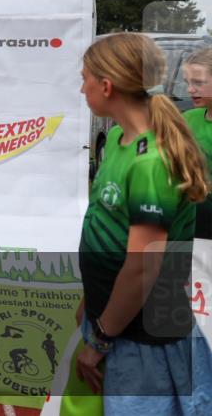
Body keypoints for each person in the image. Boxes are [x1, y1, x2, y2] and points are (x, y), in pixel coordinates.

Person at [77, 33, 212, 410]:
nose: (81, 87)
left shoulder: (152, 161)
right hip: (113, 319)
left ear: (106, 86)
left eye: (84, 77)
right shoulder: (120, 137)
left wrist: (100, 338)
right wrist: (90, 302)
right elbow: (109, 230)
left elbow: (141, 267)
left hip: (140, 334)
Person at [183, 47, 212, 240]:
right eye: (188, 82)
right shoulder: (187, 119)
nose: (190, 89)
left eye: (198, 83)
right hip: (191, 228)